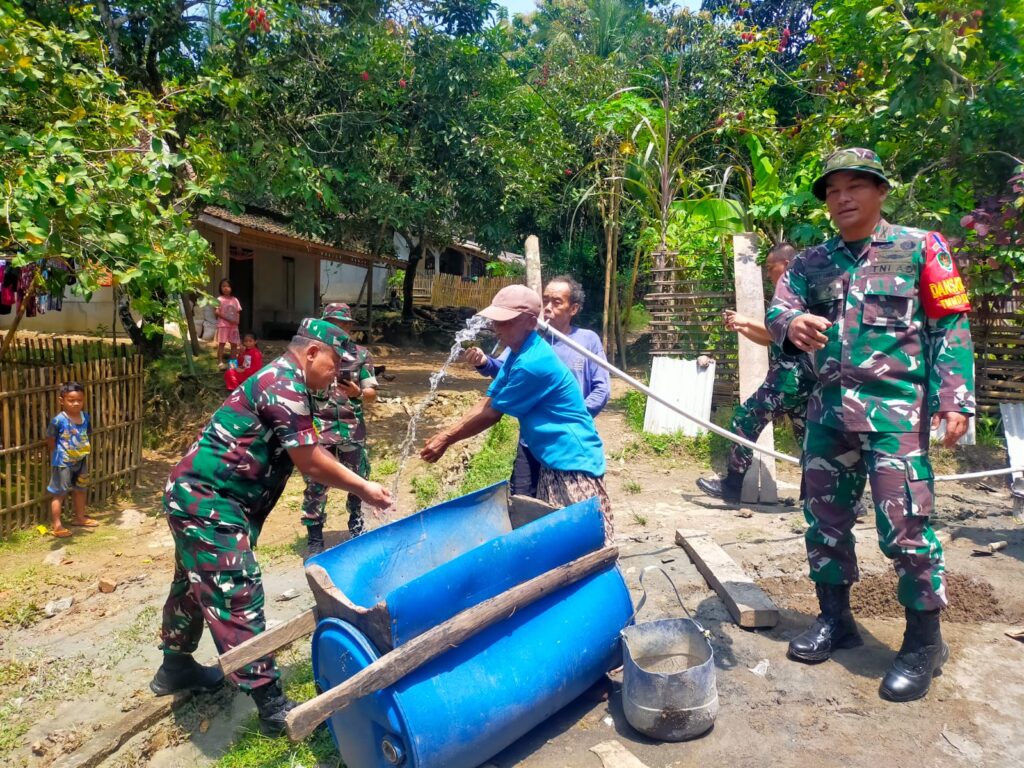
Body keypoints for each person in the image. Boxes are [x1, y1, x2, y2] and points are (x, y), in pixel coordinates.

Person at [766, 148, 974, 702]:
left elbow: (949, 324)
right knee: (824, 522)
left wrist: (955, 398)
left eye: (856, 186)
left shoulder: (920, 247)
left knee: (905, 526)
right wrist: (792, 323)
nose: (843, 198)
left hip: (896, 414)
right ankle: (837, 620)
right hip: (827, 412)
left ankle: (924, 643)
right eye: (833, 190)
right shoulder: (811, 262)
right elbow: (778, 309)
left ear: (882, 191)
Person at [151, 318, 392, 735]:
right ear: (312, 353)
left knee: (193, 584)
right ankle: (272, 706)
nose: (337, 374)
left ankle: (175, 667)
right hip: (207, 500)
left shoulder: (292, 384)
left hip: (206, 498)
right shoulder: (282, 383)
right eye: (335, 364)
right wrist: (365, 488)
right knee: (235, 586)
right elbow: (310, 460)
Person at [421, 285, 613, 537]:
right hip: (553, 460)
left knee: (589, 541)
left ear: (530, 322)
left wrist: (447, 438)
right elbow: (490, 399)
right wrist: (446, 433)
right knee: (556, 541)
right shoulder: (518, 352)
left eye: (506, 321)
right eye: (496, 320)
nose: (497, 327)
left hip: (573, 465)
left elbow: (492, 413)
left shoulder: (533, 363)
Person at [464, 276, 610, 497]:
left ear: (574, 309)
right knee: (523, 497)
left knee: (562, 503)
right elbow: (504, 371)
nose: (548, 308)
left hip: (565, 441)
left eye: (557, 302)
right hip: (531, 438)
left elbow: (602, 389)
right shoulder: (530, 340)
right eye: (546, 301)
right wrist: (484, 363)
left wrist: (574, 417)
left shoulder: (587, 341)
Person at [302, 303, 378, 553]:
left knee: (358, 480)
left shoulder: (361, 354)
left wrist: (358, 393)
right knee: (316, 484)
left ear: (349, 326)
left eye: (343, 324)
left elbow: (371, 394)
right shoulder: (311, 353)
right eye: (333, 322)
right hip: (320, 429)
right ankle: (315, 539)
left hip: (351, 429)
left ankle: (356, 526)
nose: (339, 327)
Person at [46, 382, 97, 537]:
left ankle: (80, 518)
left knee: (80, 489)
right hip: (63, 462)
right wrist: (58, 454)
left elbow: (86, 434)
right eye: (71, 400)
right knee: (59, 493)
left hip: (80, 460)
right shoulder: (58, 420)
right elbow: (50, 439)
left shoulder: (85, 416)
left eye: (79, 400)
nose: (76, 403)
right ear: (62, 401)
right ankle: (57, 525)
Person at [215, 278, 242, 370]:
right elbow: (217, 312)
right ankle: (220, 362)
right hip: (223, 325)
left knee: (234, 344)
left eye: (228, 286)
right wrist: (229, 319)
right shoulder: (219, 299)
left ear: (232, 288)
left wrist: (237, 321)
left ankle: (233, 363)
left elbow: (238, 311)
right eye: (223, 286)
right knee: (222, 344)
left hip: (233, 326)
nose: (226, 288)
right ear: (220, 288)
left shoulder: (235, 300)